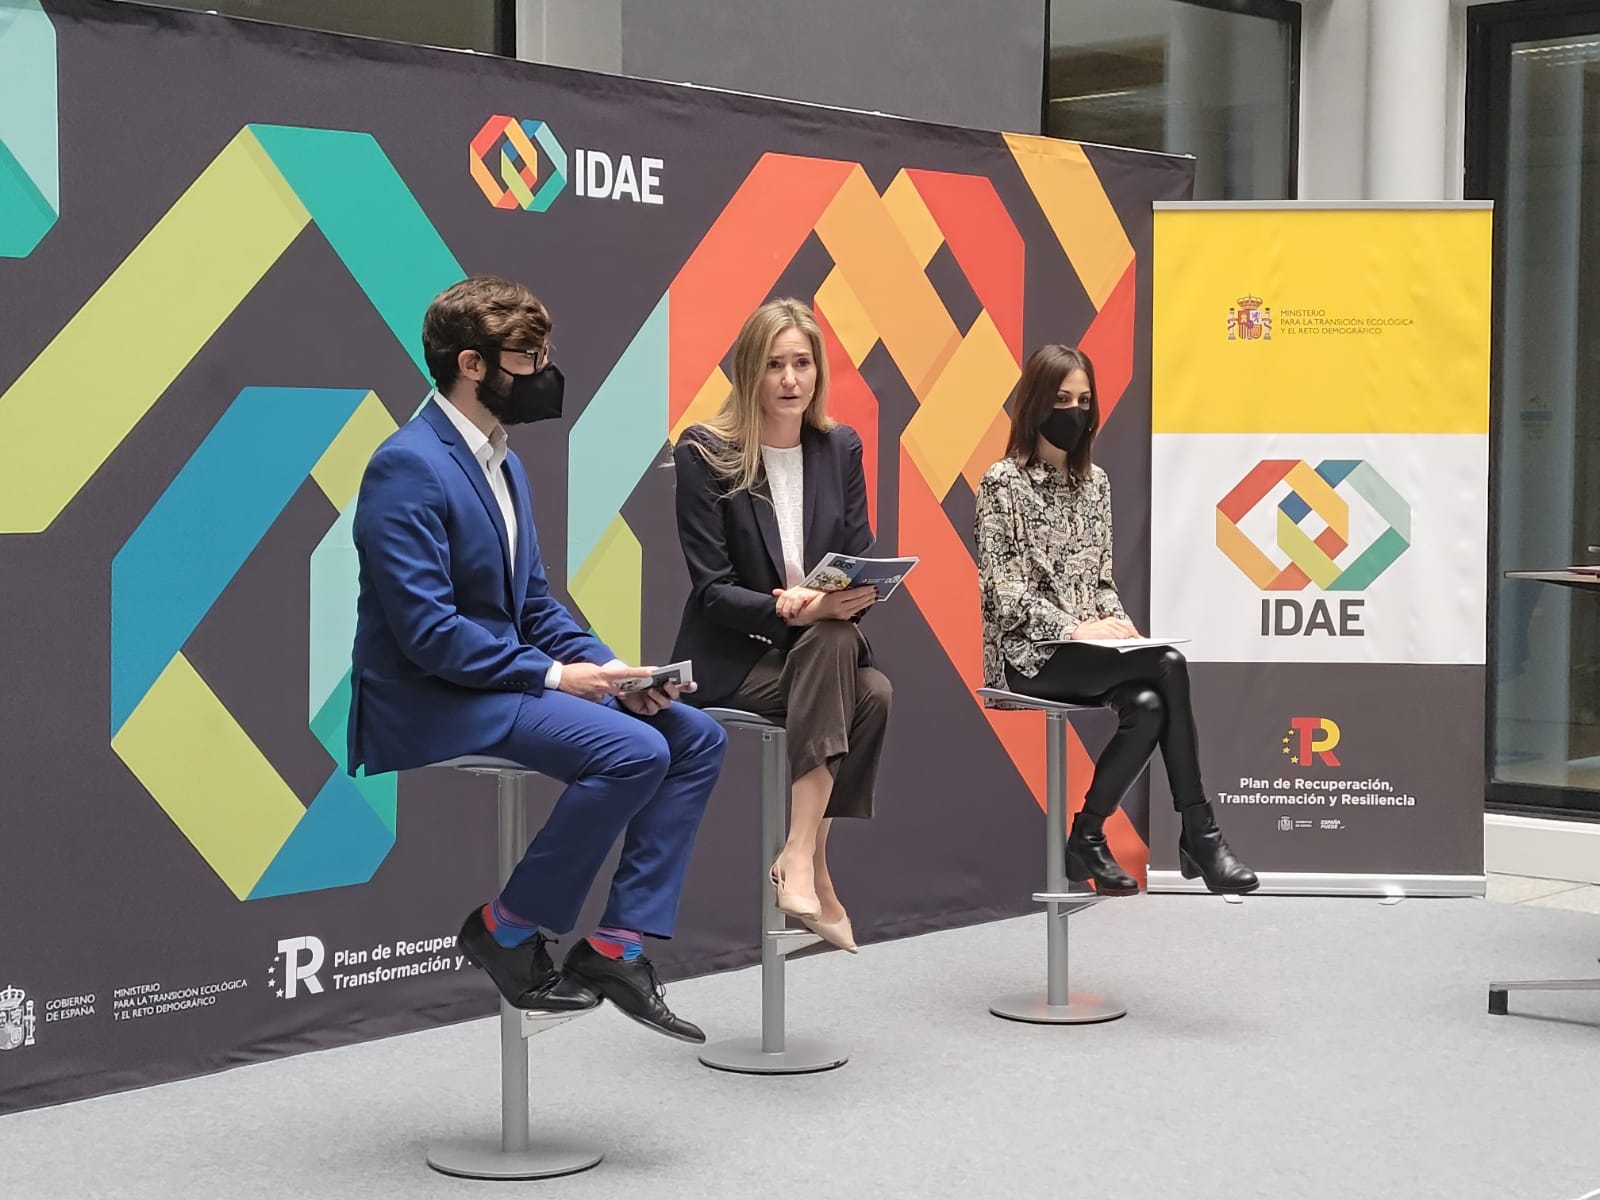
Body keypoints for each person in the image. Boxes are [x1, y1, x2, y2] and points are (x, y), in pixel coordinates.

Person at [348, 276, 727, 1042]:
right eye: (530, 355)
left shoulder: (503, 461)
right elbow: (428, 632)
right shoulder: (407, 465)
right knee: (631, 752)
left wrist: (614, 672)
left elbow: (534, 606)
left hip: (503, 677)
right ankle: (507, 928)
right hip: (432, 694)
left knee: (695, 738)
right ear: (473, 365)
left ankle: (615, 946)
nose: (547, 370)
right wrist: (558, 678)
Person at [974, 345, 1257, 897]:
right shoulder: (1002, 482)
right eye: (1061, 400)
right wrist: (1076, 628)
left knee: (1149, 703)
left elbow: (1101, 582)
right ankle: (1200, 832)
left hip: (1088, 654)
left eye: (1084, 400)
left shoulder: (1095, 484)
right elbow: (1002, 592)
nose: (1074, 412)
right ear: (1034, 404)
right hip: (1027, 657)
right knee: (1170, 665)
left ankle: (1087, 834)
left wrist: (1121, 629)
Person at [671, 298, 892, 953]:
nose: (792, 379)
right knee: (865, 685)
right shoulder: (705, 453)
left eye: (802, 363)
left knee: (859, 672)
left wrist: (848, 595)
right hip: (735, 657)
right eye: (775, 365)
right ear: (750, 373)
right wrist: (788, 606)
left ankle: (801, 852)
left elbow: (858, 550)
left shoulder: (838, 446)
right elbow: (712, 592)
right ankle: (811, 865)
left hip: (819, 647)